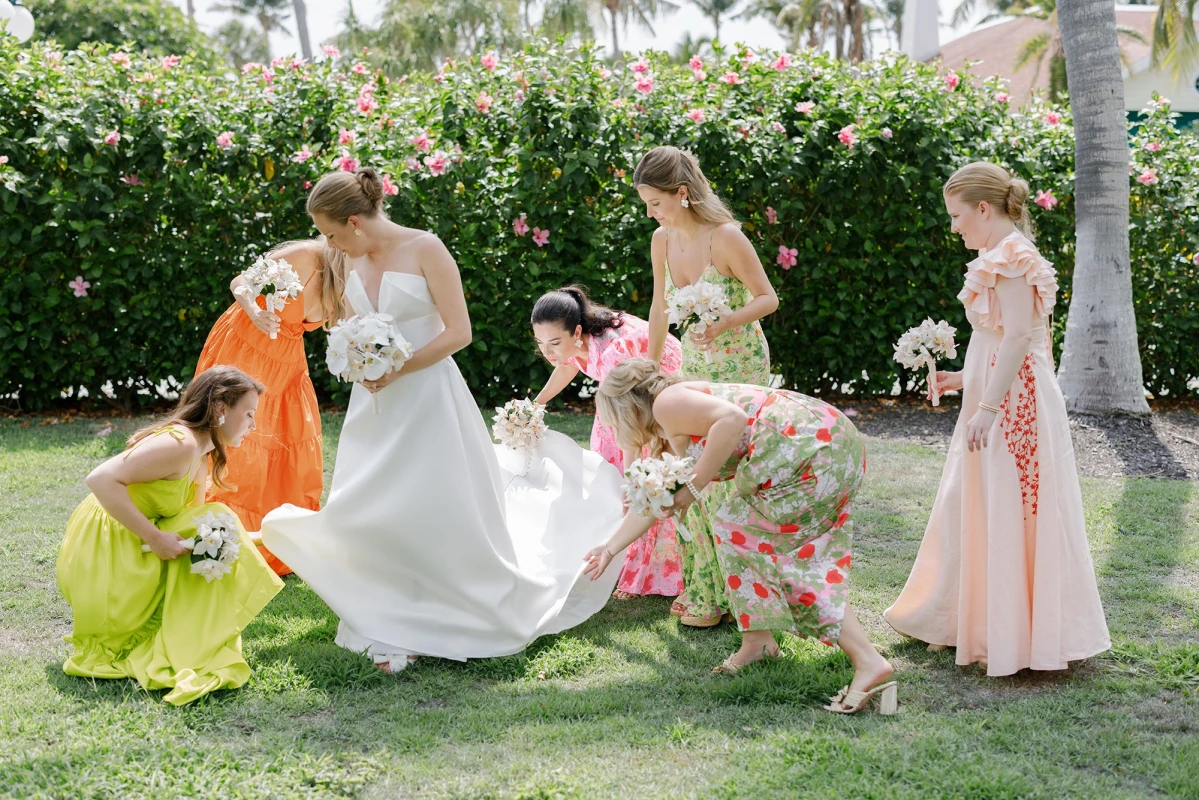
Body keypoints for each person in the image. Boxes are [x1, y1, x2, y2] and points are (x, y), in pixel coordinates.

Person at [260, 169, 624, 673]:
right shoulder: (345, 256)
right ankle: (388, 609)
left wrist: (398, 367)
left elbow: (460, 332)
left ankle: (443, 608)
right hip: (376, 403)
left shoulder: (426, 249)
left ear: (354, 221)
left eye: (331, 232)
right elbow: (341, 320)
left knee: (430, 500)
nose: (328, 243)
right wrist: (354, 354)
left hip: (428, 395)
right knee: (368, 501)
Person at [884, 162, 1111, 676]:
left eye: (957, 215)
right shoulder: (997, 255)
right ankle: (976, 622)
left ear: (983, 208)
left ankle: (1019, 635)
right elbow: (999, 340)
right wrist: (963, 380)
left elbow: (1018, 340)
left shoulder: (1011, 257)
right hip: (998, 389)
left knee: (1013, 505)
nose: (954, 225)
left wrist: (988, 408)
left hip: (1016, 402)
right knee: (984, 502)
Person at [584, 359, 897, 715]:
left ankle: (869, 661)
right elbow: (655, 504)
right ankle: (758, 642)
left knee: (785, 557)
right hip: (822, 443)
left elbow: (732, 421)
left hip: (810, 450)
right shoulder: (671, 426)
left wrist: (694, 484)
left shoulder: (667, 403)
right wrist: (609, 550)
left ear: (628, 408)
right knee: (733, 527)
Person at [57, 366, 283, 705]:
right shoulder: (178, 445)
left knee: (219, 521)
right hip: (106, 536)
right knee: (218, 519)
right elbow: (99, 479)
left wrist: (263, 536)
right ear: (221, 407)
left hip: (138, 534)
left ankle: (190, 635)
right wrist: (155, 537)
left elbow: (194, 520)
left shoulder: (202, 455)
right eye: (249, 414)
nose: (253, 425)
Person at [633, 145, 781, 627]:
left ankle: (749, 596)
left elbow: (768, 299)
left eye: (655, 202)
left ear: (681, 193)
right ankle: (706, 590)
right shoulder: (661, 241)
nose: (650, 213)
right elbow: (659, 308)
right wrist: (651, 375)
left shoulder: (727, 237)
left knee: (731, 480)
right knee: (691, 473)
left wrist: (725, 323)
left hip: (741, 366)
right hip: (694, 368)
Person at [194, 239, 344, 575]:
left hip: (287, 364)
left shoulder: (350, 274)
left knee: (289, 447)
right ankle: (219, 537)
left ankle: (275, 540)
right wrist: (255, 309)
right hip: (245, 347)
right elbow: (240, 282)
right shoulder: (303, 256)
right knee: (241, 448)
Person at [531, 286, 683, 600]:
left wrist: (631, 477)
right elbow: (568, 364)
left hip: (657, 382)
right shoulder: (575, 344)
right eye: (541, 343)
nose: (548, 352)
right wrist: (537, 404)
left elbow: (629, 429)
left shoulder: (614, 349)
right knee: (606, 465)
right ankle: (615, 552)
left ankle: (642, 569)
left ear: (576, 332)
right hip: (622, 392)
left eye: (555, 343)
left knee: (636, 475)